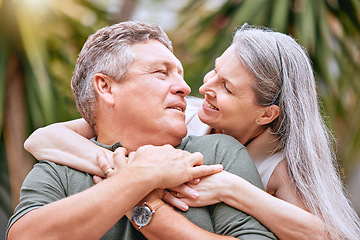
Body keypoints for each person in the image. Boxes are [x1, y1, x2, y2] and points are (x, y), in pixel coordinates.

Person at [24, 23, 360, 239]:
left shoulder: (274, 162)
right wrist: (132, 171)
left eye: (226, 86)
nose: (196, 86)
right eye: (214, 71)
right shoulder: (188, 113)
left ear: (265, 114)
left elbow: (324, 235)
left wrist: (231, 188)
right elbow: (42, 139)